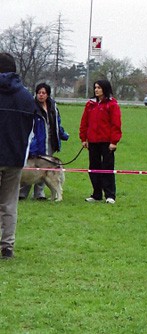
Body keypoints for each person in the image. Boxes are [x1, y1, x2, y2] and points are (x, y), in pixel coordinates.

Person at [0, 52, 35, 259]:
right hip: (15, 158)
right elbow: (29, 131)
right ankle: (7, 246)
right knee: (9, 203)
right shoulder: (26, 96)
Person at [19, 82, 69, 200]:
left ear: (48, 95)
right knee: (30, 168)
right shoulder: (31, 106)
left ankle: (39, 194)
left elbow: (56, 123)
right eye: (39, 93)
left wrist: (62, 135)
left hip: (49, 142)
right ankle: (22, 193)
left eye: (43, 93)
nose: (41, 95)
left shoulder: (53, 107)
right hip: (35, 142)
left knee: (44, 169)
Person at [79, 79, 122, 204]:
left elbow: (116, 124)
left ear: (105, 89)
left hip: (107, 142)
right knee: (93, 168)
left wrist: (114, 141)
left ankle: (110, 195)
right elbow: (84, 122)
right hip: (93, 141)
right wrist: (83, 138)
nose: (96, 90)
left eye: (99, 87)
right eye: (95, 87)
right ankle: (96, 194)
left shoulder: (112, 104)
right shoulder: (90, 104)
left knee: (107, 168)